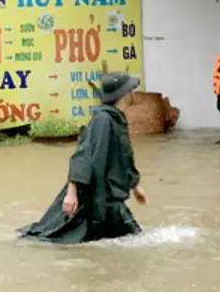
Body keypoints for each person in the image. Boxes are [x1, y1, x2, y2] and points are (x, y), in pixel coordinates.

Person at [19, 72, 149, 243]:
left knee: (123, 240)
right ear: (126, 95)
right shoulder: (103, 120)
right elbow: (84, 154)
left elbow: (123, 155)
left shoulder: (116, 119)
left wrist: (135, 185)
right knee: (137, 240)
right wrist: (71, 193)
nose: (133, 94)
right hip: (101, 198)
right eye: (131, 90)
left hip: (109, 200)